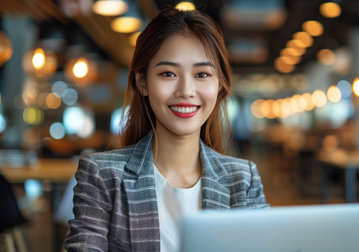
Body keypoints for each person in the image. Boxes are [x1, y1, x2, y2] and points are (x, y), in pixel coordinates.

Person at [64, 8, 269, 252]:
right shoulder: (103, 175)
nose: (186, 90)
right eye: (168, 73)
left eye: (202, 74)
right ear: (143, 82)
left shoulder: (243, 179)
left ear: (220, 85)